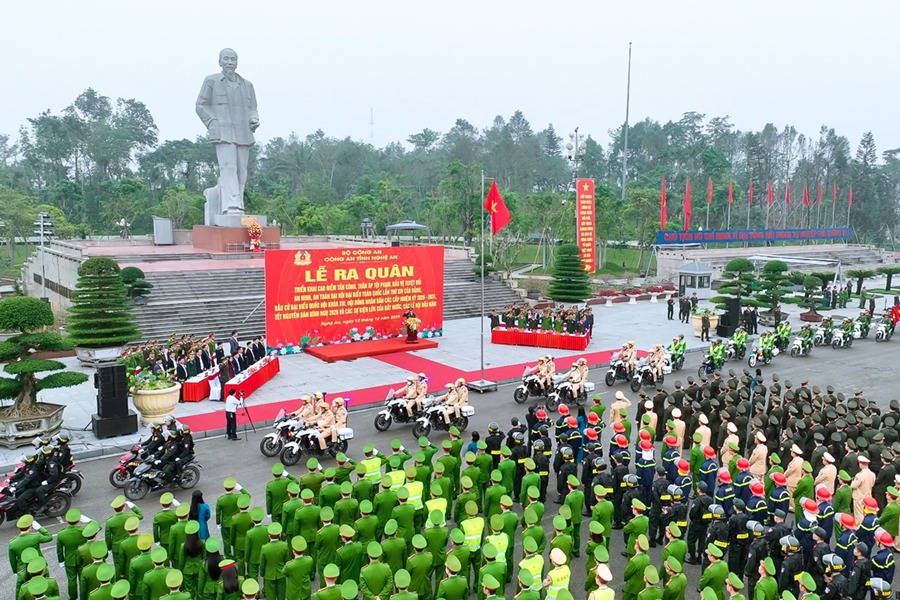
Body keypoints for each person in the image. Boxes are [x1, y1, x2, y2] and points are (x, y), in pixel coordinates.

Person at [196, 50, 259, 220]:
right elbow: (201, 105)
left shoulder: (247, 85)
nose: (230, 62)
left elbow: (253, 108)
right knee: (228, 167)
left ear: (237, 62)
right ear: (220, 61)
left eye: (233, 59)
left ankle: (237, 202)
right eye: (226, 59)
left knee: (241, 171)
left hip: (243, 132)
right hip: (223, 132)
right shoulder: (211, 81)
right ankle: (231, 205)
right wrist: (213, 122)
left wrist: (254, 119)